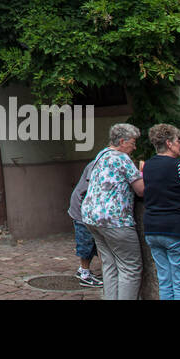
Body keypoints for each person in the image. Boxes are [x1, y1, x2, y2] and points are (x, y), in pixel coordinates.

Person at [80, 123, 145, 300]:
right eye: (133, 142)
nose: (135, 146)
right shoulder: (121, 158)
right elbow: (141, 190)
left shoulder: (101, 155)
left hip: (92, 217)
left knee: (109, 265)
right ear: (122, 141)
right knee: (130, 267)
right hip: (114, 219)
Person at [141, 123, 180, 300]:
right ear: (169, 143)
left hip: (152, 228)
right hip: (177, 229)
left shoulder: (148, 166)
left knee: (165, 282)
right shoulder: (177, 165)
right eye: (178, 140)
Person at [66, 155, 103, 288]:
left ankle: (83, 270)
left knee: (91, 242)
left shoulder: (100, 163)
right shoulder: (96, 165)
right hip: (82, 210)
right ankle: (85, 274)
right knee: (85, 242)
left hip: (86, 209)